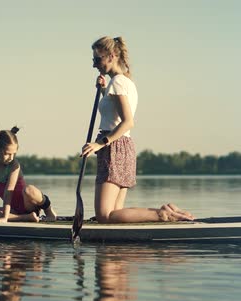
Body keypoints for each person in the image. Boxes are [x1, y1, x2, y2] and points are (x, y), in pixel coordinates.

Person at [80, 36, 195, 223]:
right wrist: (102, 90)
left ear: (111, 56)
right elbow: (114, 112)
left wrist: (99, 144)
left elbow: (127, 122)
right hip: (123, 146)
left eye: (97, 59)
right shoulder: (124, 82)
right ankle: (169, 210)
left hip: (113, 147)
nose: (94, 65)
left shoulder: (117, 82)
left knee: (104, 215)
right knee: (115, 214)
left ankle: (162, 215)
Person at [0, 127, 57, 223]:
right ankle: (26, 217)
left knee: (29, 190)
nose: (11, 157)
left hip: (28, 205)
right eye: (7, 154)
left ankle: (49, 211)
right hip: (13, 210)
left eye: (14, 154)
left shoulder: (14, 165)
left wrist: (4, 217)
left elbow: (9, 191)